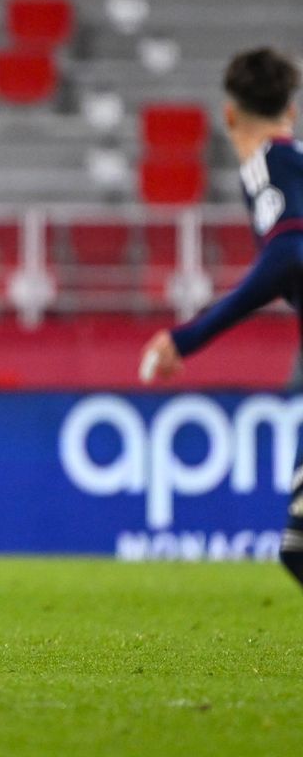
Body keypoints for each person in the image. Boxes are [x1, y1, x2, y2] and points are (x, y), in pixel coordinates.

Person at [140, 46, 303, 592]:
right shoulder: (294, 164)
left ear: (229, 115)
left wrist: (190, 336)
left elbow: (288, 256)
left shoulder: (267, 164)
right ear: (291, 110)